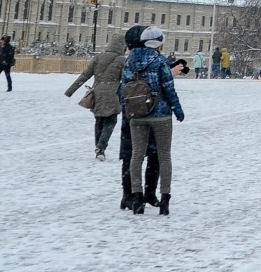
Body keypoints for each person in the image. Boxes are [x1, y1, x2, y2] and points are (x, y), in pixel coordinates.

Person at [121, 26, 184, 215]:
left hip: (137, 114)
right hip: (161, 114)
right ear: (158, 43)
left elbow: (125, 88)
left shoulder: (129, 61)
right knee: (164, 156)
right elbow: (168, 88)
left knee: (136, 156)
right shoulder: (160, 61)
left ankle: (137, 197)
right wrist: (178, 110)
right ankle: (164, 199)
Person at [66, 33, 127, 159]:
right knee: (110, 121)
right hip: (112, 94)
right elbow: (126, 79)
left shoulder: (98, 57)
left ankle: (99, 149)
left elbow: (85, 75)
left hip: (97, 94)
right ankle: (101, 145)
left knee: (99, 121)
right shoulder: (122, 60)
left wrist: (70, 90)